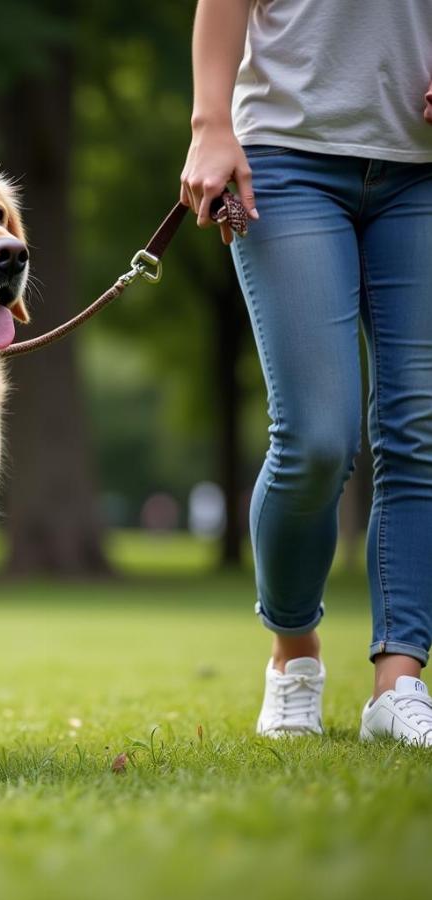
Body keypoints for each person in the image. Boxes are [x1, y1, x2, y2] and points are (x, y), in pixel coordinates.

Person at [180, 0, 432, 744]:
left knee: (418, 433)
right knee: (317, 439)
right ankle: (294, 658)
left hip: (421, 166)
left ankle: (400, 682)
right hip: (282, 158)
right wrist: (209, 124)